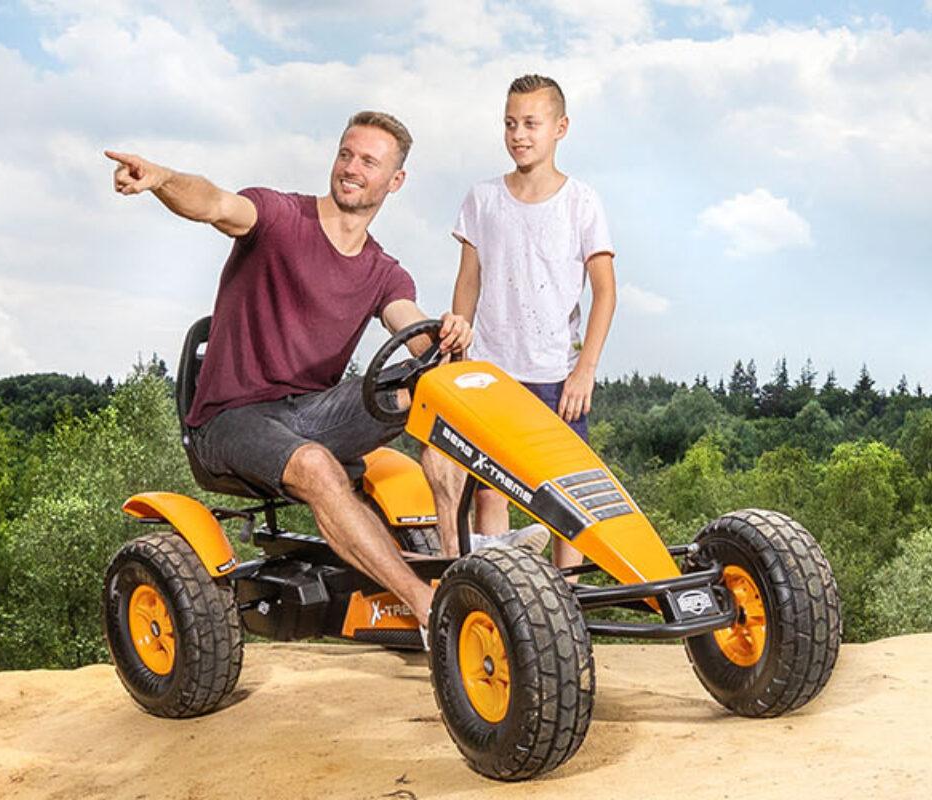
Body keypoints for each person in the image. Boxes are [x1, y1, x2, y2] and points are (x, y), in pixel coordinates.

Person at [106, 111, 466, 628]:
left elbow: (410, 326)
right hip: (231, 419)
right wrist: (161, 179)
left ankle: (458, 562)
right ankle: (429, 608)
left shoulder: (383, 271)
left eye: (369, 161)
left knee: (435, 386)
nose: (352, 168)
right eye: (346, 154)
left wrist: (445, 336)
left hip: (313, 415)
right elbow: (214, 203)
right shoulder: (279, 217)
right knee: (315, 465)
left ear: (395, 180)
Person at [451, 74, 617, 572]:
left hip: (557, 376)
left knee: (567, 501)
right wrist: (459, 358)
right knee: (489, 491)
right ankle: (499, 592)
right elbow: (468, 282)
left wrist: (585, 370)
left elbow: (606, 291)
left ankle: (566, 605)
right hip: (491, 374)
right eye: (510, 124)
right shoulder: (482, 198)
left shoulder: (581, 201)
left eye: (530, 123)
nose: (518, 135)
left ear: (560, 128)